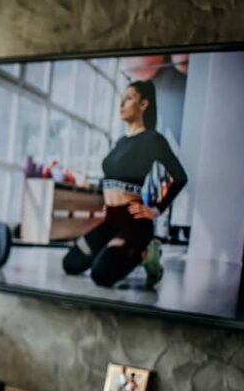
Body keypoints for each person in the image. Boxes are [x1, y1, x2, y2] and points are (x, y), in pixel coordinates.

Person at [62, 80, 188, 288]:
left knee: (100, 274)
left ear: (144, 104)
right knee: (71, 264)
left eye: (128, 99)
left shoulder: (153, 140)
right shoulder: (120, 142)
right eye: (121, 100)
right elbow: (111, 179)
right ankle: (116, 253)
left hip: (133, 221)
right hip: (110, 220)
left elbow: (180, 177)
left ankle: (147, 253)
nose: (121, 105)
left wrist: (156, 209)